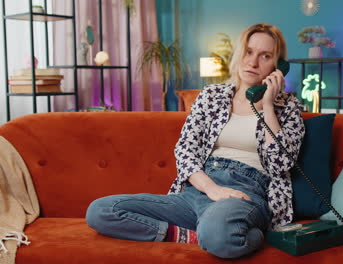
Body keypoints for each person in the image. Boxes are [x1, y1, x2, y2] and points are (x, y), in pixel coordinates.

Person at [85, 23, 305, 259]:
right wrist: (212, 189)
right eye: (249, 52)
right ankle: (187, 235)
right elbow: (185, 150)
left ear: (278, 66)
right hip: (197, 189)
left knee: (219, 234)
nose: (252, 62)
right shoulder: (211, 95)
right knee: (100, 210)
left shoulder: (288, 107)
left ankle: (219, 232)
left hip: (246, 193)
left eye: (265, 56)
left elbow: (281, 165)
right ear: (239, 54)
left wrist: (269, 106)